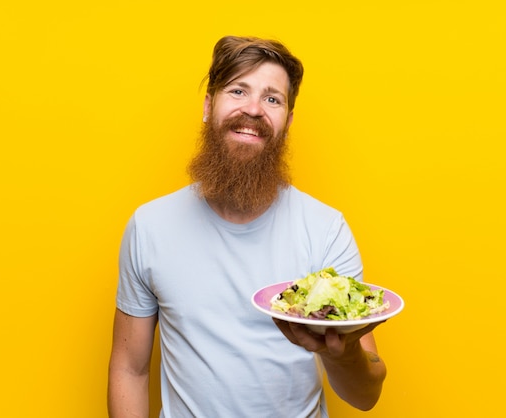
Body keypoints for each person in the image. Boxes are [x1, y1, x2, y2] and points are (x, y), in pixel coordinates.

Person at [107, 35, 387, 418]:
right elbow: (129, 368)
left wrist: (342, 351)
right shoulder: (150, 226)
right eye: (238, 90)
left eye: (272, 99)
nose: (253, 109)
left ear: (287, 122)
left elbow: (365, 395)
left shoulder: (326, 230)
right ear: (208, 106)